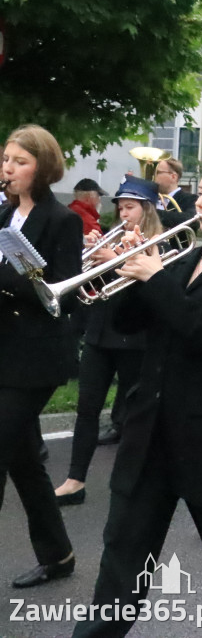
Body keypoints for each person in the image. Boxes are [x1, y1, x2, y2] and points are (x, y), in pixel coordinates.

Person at [72, 158, 202, 637]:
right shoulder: (183, 258)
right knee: (121, 563)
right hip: (151, 431)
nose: (200, 202)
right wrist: (123, 269)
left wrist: (153, 276)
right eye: (200, 192)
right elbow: (129, 325)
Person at [0, 124, 80, 588]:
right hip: (4, 348)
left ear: (43, 168)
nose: (8, 169)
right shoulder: (3, 213)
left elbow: (60, 294)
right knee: (23, 460)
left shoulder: (61, 219)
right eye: (6, 159)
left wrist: (7, 278)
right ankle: (59, 555)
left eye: (20, 161)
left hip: (34, 356)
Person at [54, 177, 163, 506]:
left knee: (133, 413)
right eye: (120, 208)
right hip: (100, 333)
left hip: (135, 339)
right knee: (87, 409)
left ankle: (132, 479)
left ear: (146, 209)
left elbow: (151, 292)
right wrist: (87, 252)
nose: (123, 214)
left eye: (130, 207)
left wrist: (115, 260)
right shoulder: (109, 237)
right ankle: (75, 480)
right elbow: (89, 285)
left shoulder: (160, 241)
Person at [153, 157, 198, 228]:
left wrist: (152, 213)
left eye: (158, 173)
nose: (154, 176)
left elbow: (192, 220)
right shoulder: (150, 199)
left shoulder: (190, 199)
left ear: (173, 177)